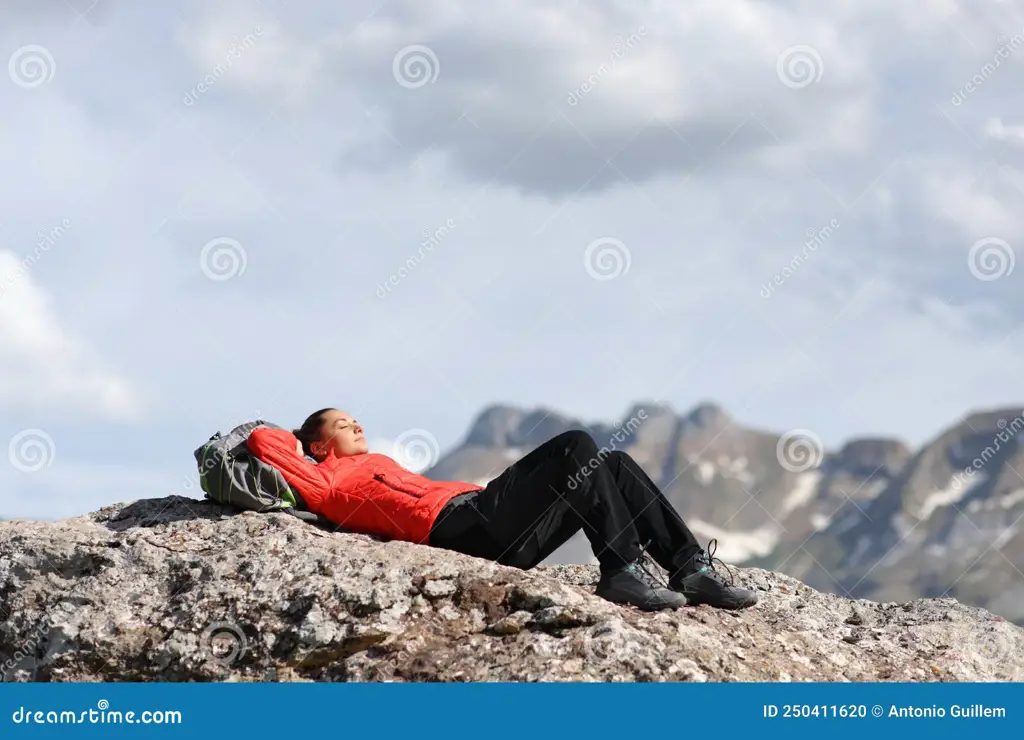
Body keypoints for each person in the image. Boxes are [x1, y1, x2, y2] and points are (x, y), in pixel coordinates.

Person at [246, 408, 758, 612]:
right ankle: (621, 569)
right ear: (314, 445)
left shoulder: (373, 461)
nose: (355, 424)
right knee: (574, 445)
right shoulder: (322, 478)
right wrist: (291, 437)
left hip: (495, 531)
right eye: (340, 423)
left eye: (354, 418)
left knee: (615, 463)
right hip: (459, 526)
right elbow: (263, 440)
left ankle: (690, 569)